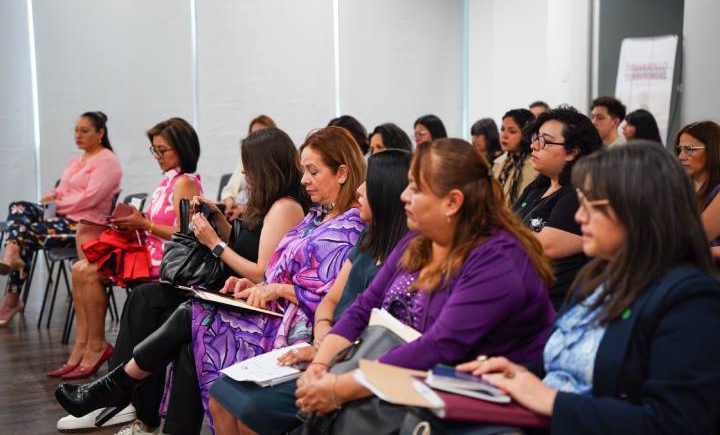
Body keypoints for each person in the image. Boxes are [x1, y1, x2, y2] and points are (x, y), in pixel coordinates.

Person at [55, 126, 367, 435]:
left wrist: (243, 266)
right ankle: (127, 393)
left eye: (312, 171)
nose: (304, 179)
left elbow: (327, 294)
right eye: (303, 171)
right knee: (188, 334)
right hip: (270, 305)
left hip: (286, 323)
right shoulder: (316, 215)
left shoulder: (341, 225)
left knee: (190, 314)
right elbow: (274, 270)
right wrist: (256, 284)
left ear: (340, 173)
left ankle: (119, 385)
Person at [450, 141, 720, 435]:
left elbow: (675, 423)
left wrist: (553, 401)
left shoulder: (690, 300)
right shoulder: (598, 277)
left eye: (594, 206)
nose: (579, 217)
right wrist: (518, 373)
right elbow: (566, 368)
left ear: (639, 210)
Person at [291, 139, 556, 434]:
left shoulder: (498, 260)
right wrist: (320, 366)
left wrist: (340, 386)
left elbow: (440, 346)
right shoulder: (421, 239)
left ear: (452, 202)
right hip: (403, 378)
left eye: (416, 189)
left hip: (469, 399)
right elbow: (364, 307)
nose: (404, 196)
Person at [208, 149, 412, 435]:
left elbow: (376, 330)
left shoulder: (395, 248)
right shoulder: (369, 236)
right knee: (221, 391)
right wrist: (322, 333)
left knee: (250, 409)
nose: (360, 187)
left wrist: (322, 353)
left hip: (351, 357)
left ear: (388, 191)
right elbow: (332, 300)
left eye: (313, 171)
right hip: (327, 340)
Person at [49, 117, 202, 381]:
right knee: (79, 268)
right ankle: (83, 345)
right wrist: (138, 223)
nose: (156, 156)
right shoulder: (169, 182)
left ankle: (95, 347)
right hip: (151, 254)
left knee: (86, 271)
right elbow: (157, 223)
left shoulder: (184, 184)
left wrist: (144, 224)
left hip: (163, 263)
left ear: (182, 148)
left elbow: (186, 235)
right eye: (154, 149)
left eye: (162, 150)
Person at [0, 111, 122, 327]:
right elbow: (63, 190)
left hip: (85, 224)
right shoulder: (77, 160)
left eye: (84, 131)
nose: (78, 135)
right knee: (17, 207)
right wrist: (53, 196)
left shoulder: (108, 161)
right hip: (64, 216)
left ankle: (11, 296)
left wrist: (59, 203)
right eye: (76, 130)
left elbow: (89, 199)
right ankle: (12, 253)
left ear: (100, 133)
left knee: (24, 234)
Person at [514, 106, 603, 309]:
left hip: (553, 307)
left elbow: (544, 247)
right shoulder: (539, 186)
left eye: (544, 140)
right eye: (536, 138)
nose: (534, 146)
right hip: (521, 298)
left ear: (572, 151)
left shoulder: (577, 194)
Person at [676, 121, 720, 259]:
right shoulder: (681, 187)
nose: (681, 157)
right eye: (680, 149)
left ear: (712, 150)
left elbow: (695, 239)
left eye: (690, 149)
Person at [221, 115, 277, 221]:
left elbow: (269, 200)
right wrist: (229, 203)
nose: (244, 171)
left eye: (260, 134)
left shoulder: (272, 165)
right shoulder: (243, 160)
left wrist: (248, 209)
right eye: (252, 134)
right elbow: (229, 190)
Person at [492, 109, 538, 206]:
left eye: (512, 131)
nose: (504, 136)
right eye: (502, 129)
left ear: (526, 135)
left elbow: (524, 205)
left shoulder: (533, 165)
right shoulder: (499, 162)